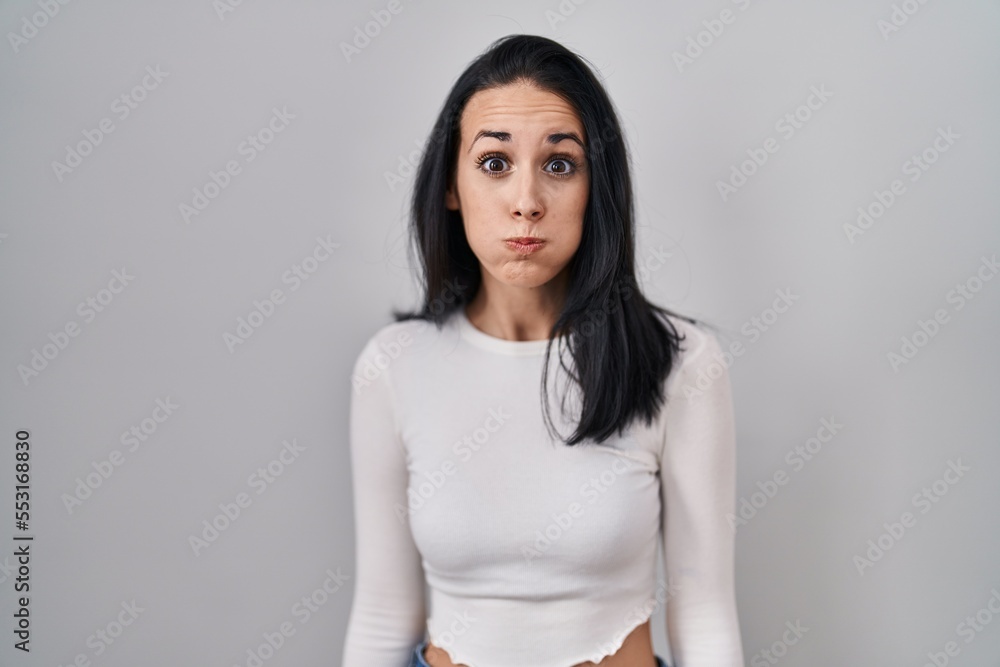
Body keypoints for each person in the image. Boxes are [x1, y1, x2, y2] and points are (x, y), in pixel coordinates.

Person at [342, 34, 744, 667]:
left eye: (559, 164)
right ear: (452, 185)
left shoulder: (680, 363)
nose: (526, 202)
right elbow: (382, 615)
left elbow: (705, 612)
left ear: (595, 186)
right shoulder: (393, 367)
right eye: (494, 163)